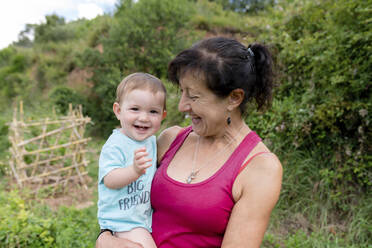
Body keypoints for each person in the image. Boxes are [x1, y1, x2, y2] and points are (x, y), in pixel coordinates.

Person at [96, 37, 282, 248]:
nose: (183, 105)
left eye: (193, 96)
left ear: (234, 98)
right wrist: (105, 238)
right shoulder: (170, 139)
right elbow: (123, 203)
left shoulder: (260, 168)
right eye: (182, 92)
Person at [97, 72, 167, 248]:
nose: (143, 118)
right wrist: (133, 171)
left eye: (153, 111)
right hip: (121, 220)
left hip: (139, 218)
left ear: (163, 116)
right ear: (118, 111)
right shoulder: (116, 144)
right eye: (135, 109)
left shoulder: (151, 141)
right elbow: (110, 179)